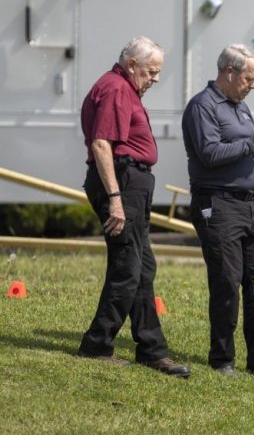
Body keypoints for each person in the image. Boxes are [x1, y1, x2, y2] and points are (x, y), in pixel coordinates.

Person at [76, 36, 190, 378]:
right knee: (128, 268)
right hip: (122, 184)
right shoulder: (116, 89)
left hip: (131, 184)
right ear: (131, 65)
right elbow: (101, 144)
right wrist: (115, 199)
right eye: (151, 71)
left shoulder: (122, 87)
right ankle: (97, 344)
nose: (155, 78)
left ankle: (152, 350)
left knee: (142, 267)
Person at [181, 44, 254, 383]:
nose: (253, 85)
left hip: (248, 204)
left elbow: (243, 154)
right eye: (249, 78)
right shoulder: (203, 107)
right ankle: (222, 358)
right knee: (227, 281)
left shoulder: (241, 108)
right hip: (217, 203)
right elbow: (211, 154)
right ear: (229, 72)